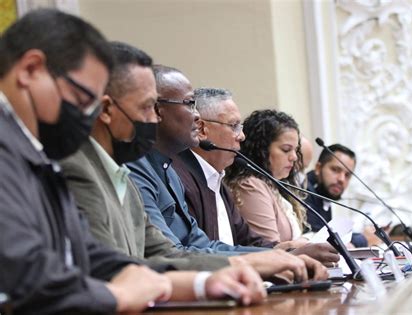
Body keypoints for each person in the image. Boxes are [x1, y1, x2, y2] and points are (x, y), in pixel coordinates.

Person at [0, 9, 265, 314]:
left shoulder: (36, 152)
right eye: (83, 97)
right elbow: (24, 273)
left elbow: (88, 254)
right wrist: (117, 296)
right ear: (30, 70)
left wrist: (196, 284)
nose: (89, 114)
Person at [128, 65, 329, 281]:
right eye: (189, 104)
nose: (197, 115)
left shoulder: (169, 171)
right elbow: (171, 254)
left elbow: (202, 244)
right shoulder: (140, 168)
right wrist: (265, 261)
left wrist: (278, 256)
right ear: (156, 110)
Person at [60, 42, 230, 271]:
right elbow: (113, 270)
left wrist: (252, 264)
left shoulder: (123, 176)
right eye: (147, 107)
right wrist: (202, 284)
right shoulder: (76, 169)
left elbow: (164, 253)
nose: (154, 119)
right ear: (108, 110)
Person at [173, 88, 340, 266]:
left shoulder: (217, 181)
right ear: (202, 129)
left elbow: (249, 242)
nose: (242, 136)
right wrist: (290, 255)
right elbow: (196, 251)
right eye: (234, 126)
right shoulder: (181, 179)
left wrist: (291, 251)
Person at [225, 109, 313, 244]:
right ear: (261, 150)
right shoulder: (250, 185)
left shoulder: (272, 185)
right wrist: (307, 243)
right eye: (286, 149)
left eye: (295, 150)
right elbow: (269, 249)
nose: (294, 157)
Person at [305, 143, 368, 247]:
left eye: (347, 175)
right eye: (335, 170)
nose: (341, 179)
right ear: (318, 168)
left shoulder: (324, 193)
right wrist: (361, 240)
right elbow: (319, 240)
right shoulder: (304, 191)